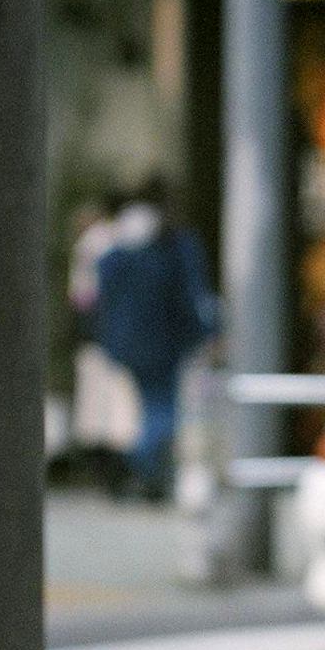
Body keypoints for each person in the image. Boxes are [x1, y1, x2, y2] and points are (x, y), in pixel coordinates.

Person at [93, 177, 218, 500]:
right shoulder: (175, 244)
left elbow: (104, 285)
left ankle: (145, 471)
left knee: (152, 409)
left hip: (130, 342)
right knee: (162, 411)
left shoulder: (126, 242)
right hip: (162, 342)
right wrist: (206, 332)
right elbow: (192, 294)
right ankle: (137, 465)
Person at [68, 192, 138, 493]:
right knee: (112, 406)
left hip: (99, 334)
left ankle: (109, 473)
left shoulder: (95, 245)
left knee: (102, 408)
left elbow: (82, 296)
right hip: (112, 335)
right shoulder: (117, 241)